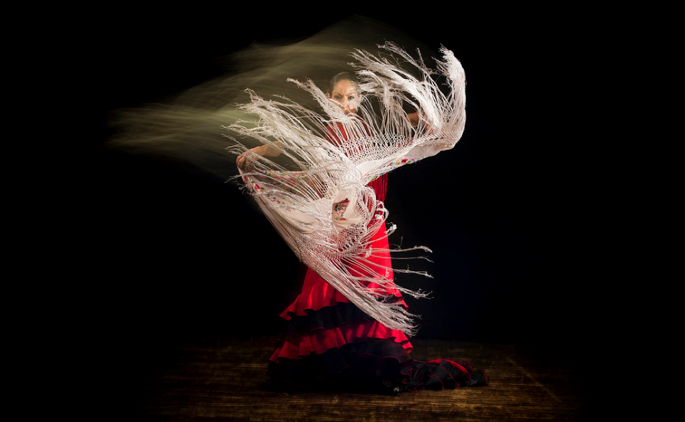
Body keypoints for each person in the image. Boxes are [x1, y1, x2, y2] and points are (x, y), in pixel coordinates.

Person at [235, 69, 488, 394]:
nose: (344, 102)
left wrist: (421, 116)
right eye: (338, 96)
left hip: (365, 227)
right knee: (328, 295)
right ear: (328, 99)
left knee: (366, 292)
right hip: (332, 227)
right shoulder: (322, 136)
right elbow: (291, 150)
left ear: (359, 102)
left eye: (351, 97)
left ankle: (375, 367)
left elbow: (404, 129)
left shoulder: (372, 135)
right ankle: (333, 369)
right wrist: (257, 155)